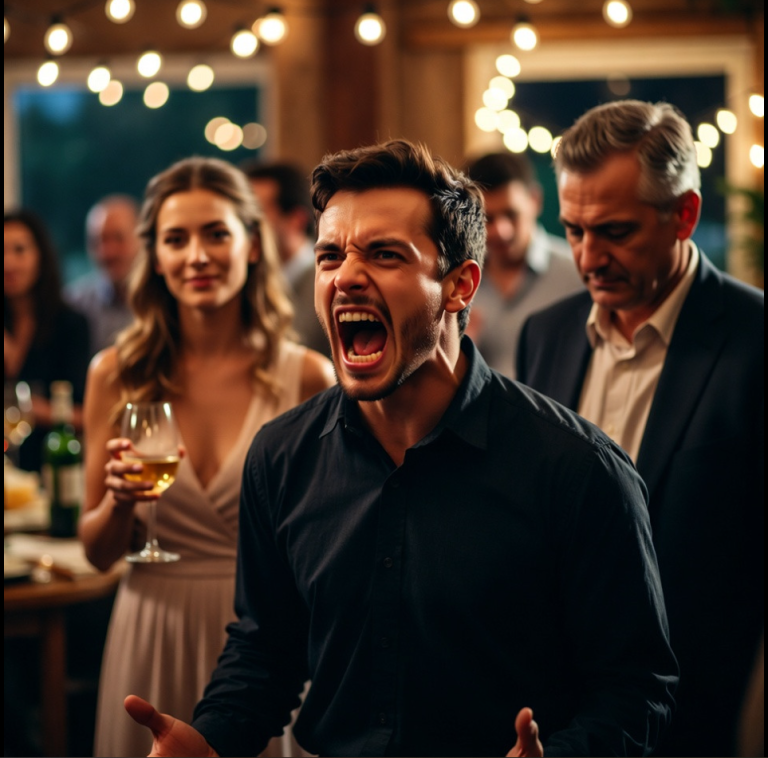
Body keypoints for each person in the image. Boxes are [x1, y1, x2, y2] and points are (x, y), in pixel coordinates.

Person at [123, 140, 678, 757]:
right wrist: (209, 740)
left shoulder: (578, 469)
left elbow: (638, 693)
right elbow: (265, 651)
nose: (346, 277)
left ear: (460, 285)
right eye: (329, 255)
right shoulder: (281, 457)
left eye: (385, 254)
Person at [516, 100, 764, 757]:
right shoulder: (546, 334)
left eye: (615, 232)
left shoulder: (755, 340)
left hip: (703, 709)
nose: (588, 257)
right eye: (571, 230)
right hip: (560, 715)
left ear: (684, 213)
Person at [78, 156, 335, 758]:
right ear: (156, 257)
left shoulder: (305, 375)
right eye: (176, 238)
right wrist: (118, 503)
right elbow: (95, 553)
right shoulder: (116, 374)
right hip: (151, 626)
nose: (197, 255)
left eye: (216, 233)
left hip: (266, 644)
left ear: (251, 244)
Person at [464, 152, 583, 379]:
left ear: (535, 201)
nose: (501, 230)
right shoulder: (458, 283)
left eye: (511, 214)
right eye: (487, 218)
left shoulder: (577, 275)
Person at [4, 209, 90, 471]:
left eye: (19, 250)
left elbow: (86, 416)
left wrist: (29, 410)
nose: (8, 263)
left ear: (40, 255)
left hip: (53, 468)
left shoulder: (69, 325)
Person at [241, 160, 330, 357]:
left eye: (255, 213)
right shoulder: (247, 282)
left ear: (296, 220)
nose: (243, 225)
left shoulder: (329, 281)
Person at [65, 194, 141, 354]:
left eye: (118, 239)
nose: (107, 252)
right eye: (97, 241)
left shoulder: (166, 300)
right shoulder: (73, 305)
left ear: (142, 238)